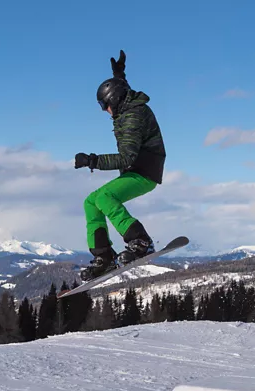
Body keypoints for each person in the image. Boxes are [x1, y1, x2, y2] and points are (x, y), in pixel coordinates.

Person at [74, 50, 166, 281]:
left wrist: (92, 160)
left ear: (114, 100)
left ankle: (141, 241)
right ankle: (104, 257)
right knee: (91, 202)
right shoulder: (126, 106)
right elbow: (125, 92)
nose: (104, 110)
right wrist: (119, 76)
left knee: (104, 197)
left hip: (144, 171)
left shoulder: (133, 116)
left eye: (105, 104)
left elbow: (127, 158)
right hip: (136, 170)